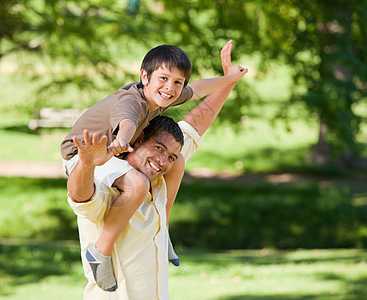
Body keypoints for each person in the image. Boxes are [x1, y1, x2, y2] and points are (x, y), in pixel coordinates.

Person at [64, 42, 248, 299]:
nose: (170, 88)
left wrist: (229, 79)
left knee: (179, 161)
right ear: (144, 77)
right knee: (138, 184)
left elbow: (198, 100)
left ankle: (165, 229)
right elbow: (125, 124)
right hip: (87, 155)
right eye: (163, 79)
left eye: (177, 83)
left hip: (115, 150)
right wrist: (111, 147)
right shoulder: (132, 107)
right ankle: (101, 250)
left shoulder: (162, 109)